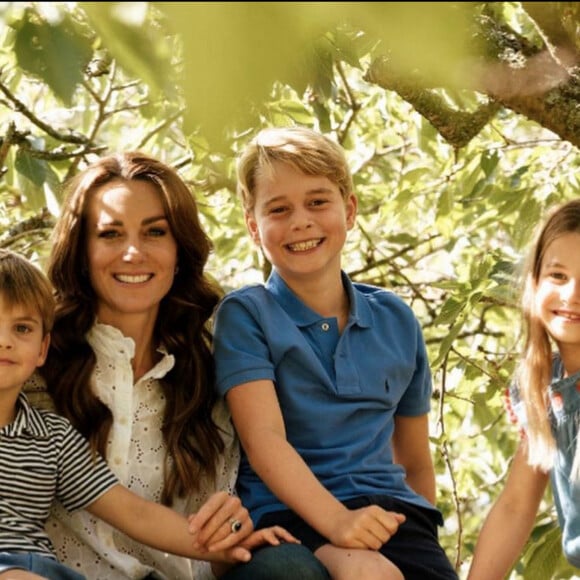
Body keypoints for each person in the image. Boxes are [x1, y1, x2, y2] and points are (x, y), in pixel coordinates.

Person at [24, 152, 329, 580]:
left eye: (155, 232)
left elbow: (217, 550)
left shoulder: (214, 365)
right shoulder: (29, 358)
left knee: (288, 568)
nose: (134, 252)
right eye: (110, 234)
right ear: (80, 251)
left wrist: (231, 531)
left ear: (179, 249)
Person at [212, 126, 458, 580]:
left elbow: (415, 460)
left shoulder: (396, 320)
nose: (300, 221)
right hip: (289, 515)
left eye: (318, 202)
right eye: (278, 209)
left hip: (391, 517)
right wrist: (338, 523)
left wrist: (422, 535)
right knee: (371, 576)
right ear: (253, 226)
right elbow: (264, 440)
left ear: (350, 210)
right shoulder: (247, 315)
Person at [0, 248, 299, 580]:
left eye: (22, 329)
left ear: (42, 349)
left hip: (37, 569)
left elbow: (135, 513)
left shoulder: (52, 437)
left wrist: (221, 543)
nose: (4, 341)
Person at [468, 199, 580, 579]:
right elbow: (516, 506)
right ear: (533, 282)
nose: (571, 295)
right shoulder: (541, 386)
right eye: (558, 276)